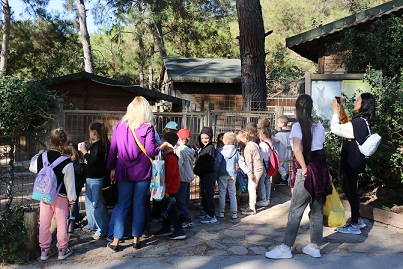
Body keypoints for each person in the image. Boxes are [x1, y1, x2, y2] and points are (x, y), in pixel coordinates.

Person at [265, 94, 331, 259]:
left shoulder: (297, 127)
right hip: (320, 169)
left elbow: (296, 150)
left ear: (297, 109)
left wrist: (303, 167)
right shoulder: (319, 125)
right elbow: (321, 148)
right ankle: (314, 246)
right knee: (316, 209)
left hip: (306, 170)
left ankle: (286, 247)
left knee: (296, 210)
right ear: (310, 108)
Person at [106, 96, 171, 251]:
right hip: (142, 171)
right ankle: (136, 239)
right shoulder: (148, 127)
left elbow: (112, 150)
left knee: (122, 205)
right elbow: (150, 151)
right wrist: (162, 146)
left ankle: (116, 240)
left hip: (123, 171)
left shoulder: (119, 126)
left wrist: (112, 168)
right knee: (139, 205)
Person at [330, 93, 375, 234]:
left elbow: (336, 128)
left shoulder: (359, 122)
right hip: (353, 158)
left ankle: (355, 224)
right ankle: (358, 218)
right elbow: (345, 124)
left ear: (364, 104)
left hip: (352, 160)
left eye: (358, 100)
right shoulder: (362, 121)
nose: (355, 102)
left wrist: (335, 111)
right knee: (347, 187)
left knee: (351, 190)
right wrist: (341, 107)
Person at [29, 128, 76, 261]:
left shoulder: (41, 157)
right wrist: (72, 200)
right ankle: (62, 250)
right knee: (61, 223)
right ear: (65, 142)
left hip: (44, 195)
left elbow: (31, 167)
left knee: (44, 222)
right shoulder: (66, 161)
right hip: (60, 196)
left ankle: (44, 251)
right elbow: (70, 184)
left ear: (50, 141)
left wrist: (38, 155)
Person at [79, 121, 110, 240]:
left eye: (89, 132)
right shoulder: (96, 145)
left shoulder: (99, 146)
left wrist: (85, 152)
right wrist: (87, 150)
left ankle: (102, 229)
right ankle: (94, 225)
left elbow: (93, 161)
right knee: (91, 204)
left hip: (96, 180)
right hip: (91, 179)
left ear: (94, 132)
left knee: (97, 205)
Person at [154, 132, 187, 240]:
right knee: (166, 209)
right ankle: (166, 227)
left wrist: (167, 190)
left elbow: (170, 175)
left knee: (171, 209)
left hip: (170, 189)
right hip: (169, 188)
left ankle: (179, 230)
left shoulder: (170, 158)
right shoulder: (169, 156)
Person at [215, 132, 249, 219]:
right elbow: (241, 162)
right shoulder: (235, 151)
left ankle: (221, 212)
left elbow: (217, 163)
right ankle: (234, 212)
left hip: (222, 175)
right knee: (232, 193)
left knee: (222, 193)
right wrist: (248, 172)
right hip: (233, 174)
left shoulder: (220, 151)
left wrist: (215, 173)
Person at [236, 129, 264, 215]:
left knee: (251, 188)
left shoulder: (247, 148)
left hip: (254, 169)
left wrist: (250, 173)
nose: (238, 141)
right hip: (259, 167)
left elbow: (249, 162)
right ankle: (250, 205)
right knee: (253, 187)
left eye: (239, 139)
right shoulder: (253, 143)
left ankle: (252, 208)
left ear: (244, 137)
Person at [193, 126, 217, 224]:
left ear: (210, 138)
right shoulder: (204, 147)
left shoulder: (210, 148)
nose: (204, 140)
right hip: (204, 175)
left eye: (206, 138)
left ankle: (211, 215)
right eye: (202, 138)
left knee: (208, 194)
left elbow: (208, 164)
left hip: (208, 175)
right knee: (204, 193)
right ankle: (205, 211)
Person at [175, 128, 195, 229]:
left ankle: (186, 218)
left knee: (180, 199)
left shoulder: (180, 150)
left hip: (181, 177)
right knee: (185, 198)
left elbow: (178, 165)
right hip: (188, 176)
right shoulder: (189, 149)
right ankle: (185, 215)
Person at [64, 143, 86, 228]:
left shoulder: (75, 162)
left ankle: (74, 219)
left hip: (75, 184)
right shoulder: (76, 161)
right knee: (74, 201)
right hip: (75, 184)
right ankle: (74, 217)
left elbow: (79, 171)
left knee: (73, 202)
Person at [256, 127, 273, 207]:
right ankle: (268, 198)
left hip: (264, 163)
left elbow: (262, 155)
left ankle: (264, 199)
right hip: (270, 163)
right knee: (267, 181)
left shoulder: (262, 144)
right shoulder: (270, 143)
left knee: (261, 182)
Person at [273, 115, 292, 185]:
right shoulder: (291, 133)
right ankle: (285, 181)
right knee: (286, 166)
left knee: (278, 166)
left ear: (282, 124)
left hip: (280, 154)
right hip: (288, 154)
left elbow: (274, 140)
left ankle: (285, 176)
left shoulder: (279, 135)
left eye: (278, 122)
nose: (277, 124)